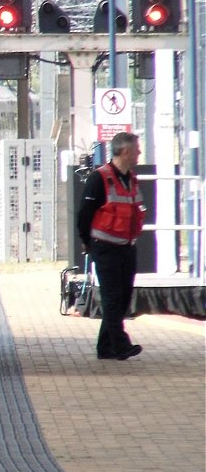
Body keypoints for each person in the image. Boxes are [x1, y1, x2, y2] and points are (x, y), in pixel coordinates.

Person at [77, 131, 146, 361]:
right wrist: (88, 244)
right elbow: (83, 216)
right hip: (104, 248)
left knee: (123, 297)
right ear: (125, 151)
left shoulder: (130, 178)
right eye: (136, 149)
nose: (139, 153)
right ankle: (120, 345)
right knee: (112, 298)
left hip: (127, 248)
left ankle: (105, 347)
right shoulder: (100, 178)